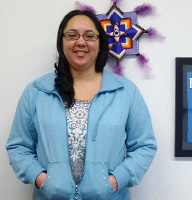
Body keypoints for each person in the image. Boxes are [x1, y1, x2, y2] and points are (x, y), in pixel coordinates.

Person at [6, 9, 157, 200]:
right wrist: (42, 179)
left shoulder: (125, 92)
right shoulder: (37, 91)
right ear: (61, 42)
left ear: (100, 43)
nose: (80, 42)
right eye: (72, 35)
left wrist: (114, 181)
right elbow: (19, 146)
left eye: (89, 35)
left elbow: (144, 146)